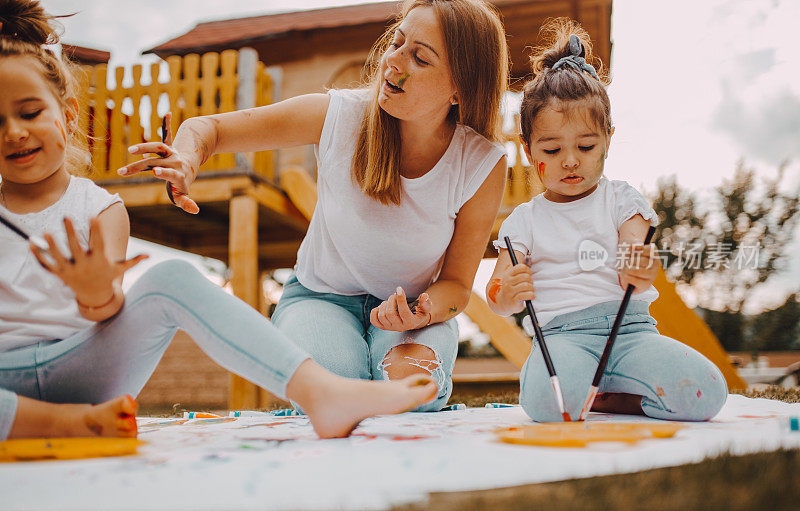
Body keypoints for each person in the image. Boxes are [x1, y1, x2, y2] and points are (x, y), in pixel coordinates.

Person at [0, 0, 437, 441]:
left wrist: (96, 295)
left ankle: (321, 394)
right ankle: (66, 426)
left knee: (171, 276)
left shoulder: (100, 208)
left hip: (82, 372)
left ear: (68, 115)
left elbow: (108, 308)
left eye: (30, 113)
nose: (14, 132)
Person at [119, 0, 510, 411]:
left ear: (460, 89)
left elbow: (458, 286)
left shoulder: (482, 164)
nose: (393, 62)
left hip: (408, 313)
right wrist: (185, 156)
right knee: (336, 391)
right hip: (319, 299)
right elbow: (209, 129)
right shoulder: (339, 116)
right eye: (397, 42)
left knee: (409, 396)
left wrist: (423, 311)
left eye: (420, 58)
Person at [487, 19, 727, 422]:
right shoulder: (523, 220)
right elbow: (498, 295)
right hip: (564, 339)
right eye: (551, 148)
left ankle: (609, 398)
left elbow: (638, 254)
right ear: (529, 152)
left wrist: (641, 266)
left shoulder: (620, 199)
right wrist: (505, 293)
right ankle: (601, 397)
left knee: (706, 393)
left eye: (585, 145)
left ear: (608, 141)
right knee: (549, 404)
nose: (569, 160)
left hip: (631, 332)